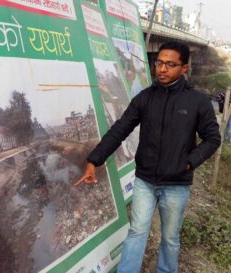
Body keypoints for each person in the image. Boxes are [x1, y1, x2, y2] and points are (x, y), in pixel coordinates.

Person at [75, 41, 221, 273]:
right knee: (137, 231)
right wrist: (94, 160)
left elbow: (213, 139)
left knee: (170, 239)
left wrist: (188, 162)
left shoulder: (198, 102)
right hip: (145, 181)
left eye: (170, 65)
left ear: (184, 68)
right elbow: (120, 129)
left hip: (177, 184)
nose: (162, 69)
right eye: (159, 63)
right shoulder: (145, 98)